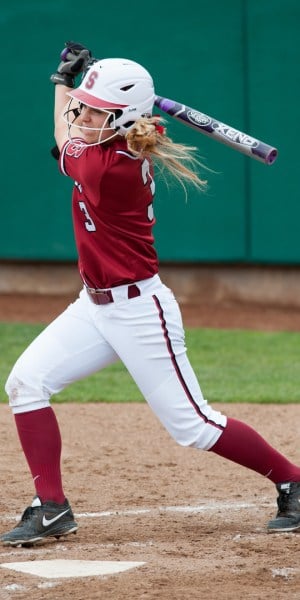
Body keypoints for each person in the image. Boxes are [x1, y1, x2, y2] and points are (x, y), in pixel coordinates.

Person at [1, 42, 300, 547]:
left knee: (195, 426)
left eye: (98, 110)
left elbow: (64, 134)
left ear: (125, 119)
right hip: (93, 305)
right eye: (89, 108)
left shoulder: (105, 168)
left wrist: (61, 86)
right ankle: (51, 507)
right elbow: (80, 130)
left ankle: (293, 480)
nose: (85, 114)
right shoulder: (126, 140)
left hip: (140, 310)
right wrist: (82, 90)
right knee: (26, 383)